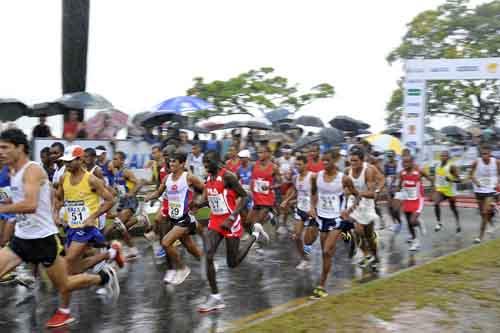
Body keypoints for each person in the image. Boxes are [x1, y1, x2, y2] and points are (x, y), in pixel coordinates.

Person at [0, 129, 119, 328]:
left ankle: (103, 277)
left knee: (65, 282)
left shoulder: (32, 170)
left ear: (20, 148)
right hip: (23, 237)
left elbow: (30, 204)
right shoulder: (13, 172)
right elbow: (51, 198)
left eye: (5, 147)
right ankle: (104, 263)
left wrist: (92, 217)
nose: (0, 152)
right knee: (70, 271)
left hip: (44, 239)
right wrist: (56, 212)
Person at [197, 151, 267, 312]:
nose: (205, 165)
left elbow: (244, 196)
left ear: (216, 161)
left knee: (232, 263)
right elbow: (209, 198)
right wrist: (197, 205)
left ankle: (254, 235)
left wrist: (232, 217)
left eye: (208, 162)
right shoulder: (209, 178)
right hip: (215, 220)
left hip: (230, 221)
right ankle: (216, 297)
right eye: (204, 162)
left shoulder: (228, 176)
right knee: (208, 254)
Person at [54, 145, 124, 275]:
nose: (67, 164)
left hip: (86, 227)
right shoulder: (63, 178)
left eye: (70, 161)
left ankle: (107, 260)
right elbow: (59, 199)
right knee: (73, 269)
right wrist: (56, 215)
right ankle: (111, 253)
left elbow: (110, 200)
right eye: (65, 161)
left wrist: (93, 217)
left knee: (68, 260)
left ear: (80, 160)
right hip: (72, 226)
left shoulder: (91, 179)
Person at [144, 152, 205, 284]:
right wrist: (149, 196)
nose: (171, 164)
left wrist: (198, 203)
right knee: (189, 246)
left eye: (174, 161)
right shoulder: (167, 178)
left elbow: (205, 189)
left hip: (185, 218)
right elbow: (159, 192)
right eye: (170, 161)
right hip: (174, 218)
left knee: (165, 242)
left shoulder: (189, 177)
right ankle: (207, 263)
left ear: (182, 164)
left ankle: (182, 269)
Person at [309, 149, 356, 299]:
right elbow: (314, 193)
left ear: (335, 161)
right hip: (322, 218)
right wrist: (312, 207)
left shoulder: (344, 179)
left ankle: (321, 285)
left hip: (337, 218)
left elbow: (357, 195)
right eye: (322, 160)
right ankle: (348, 237)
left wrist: (348, 210)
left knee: (326, 251)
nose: (324, 163)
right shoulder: (316, 177)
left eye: (327, 160)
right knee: (327, 254)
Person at [280, 155, 317, 270]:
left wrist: (313, 207)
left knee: (308, 240)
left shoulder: (312, 177)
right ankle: (305, 259)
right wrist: (287, 200)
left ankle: (308, 250)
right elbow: (296, 191)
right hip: (300, 209)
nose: (297, 166)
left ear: (306, 164)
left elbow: (317, 193)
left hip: (312, 211)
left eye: (300, 164)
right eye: (296, 164)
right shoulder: (295, 178)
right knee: (296, 237)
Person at [345, 147, 381, 268]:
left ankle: (375, 257)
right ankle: (366, 254)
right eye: (351, 160)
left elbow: (372, 194)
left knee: (369, 236)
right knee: (356, 230)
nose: (353, 163)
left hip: (366, 204)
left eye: (355, 161)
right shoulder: (347, 171)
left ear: (362, 161)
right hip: (353, 203)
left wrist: (360, 194)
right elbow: (345, 188)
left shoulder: (368, 171)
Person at [108, 151, 142, 258]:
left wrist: (131, 193)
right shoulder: (116, 173)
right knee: (123, 227)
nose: (113, 161)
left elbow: (139, 183)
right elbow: (116, 190)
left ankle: (132, 250)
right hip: (122, 202)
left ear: (122, 160)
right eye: (113, 158)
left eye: (115, 159)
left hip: (130, 201)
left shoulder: (126, 171)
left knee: (118, 225)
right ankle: (140, 219)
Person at [247, 145, 282, 244]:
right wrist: (250, 190)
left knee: (257, 222)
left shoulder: (274, 167)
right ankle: (270, 217)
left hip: (267, 199)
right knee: (248, 221)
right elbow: (252, 179)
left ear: (268, 153)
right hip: (256, 198)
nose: (259, 154)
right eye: (258, 152)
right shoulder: (254, 165)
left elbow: (280, 183)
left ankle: (253, 242)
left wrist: (270, 187)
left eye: (262, 152)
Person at [398, 155, 432, 251]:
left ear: (412, 162)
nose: (405, 164)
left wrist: (432, 191)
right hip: (407, 199)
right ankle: (415, 241)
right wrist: (397, 194)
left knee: (412, 221)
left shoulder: (418, 172)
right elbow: (400, 185)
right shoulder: (402, 173)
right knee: (409, 222)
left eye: (407, 162)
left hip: (418, 199)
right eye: (403, 162)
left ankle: (419, 223)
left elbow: (430, 179)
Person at [470, 144, 500, 243]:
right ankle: (491, 223)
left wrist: (497, 184)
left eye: (486, 154)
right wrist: (476, 182)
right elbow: (471, 175)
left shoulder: (496, 162)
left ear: (490, 153)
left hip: (490, 190)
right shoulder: (476, 162)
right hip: (479, 190)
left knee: (484, 212)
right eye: (482, 154)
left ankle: (480, 236)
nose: (484, 156)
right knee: (483, 214)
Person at [433, 150, 462, 233]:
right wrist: (434, 188)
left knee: (453, 208)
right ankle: (439, 223)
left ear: (448, 157)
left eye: (445, 156)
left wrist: (451, 179)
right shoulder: (437, 166)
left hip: (450, 191)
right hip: (441, 190)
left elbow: (459, 180)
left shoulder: (452, 167)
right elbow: (436, 178)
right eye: (442, 156)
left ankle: (458, 224)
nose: (443, 157)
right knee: (436, 203)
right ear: (440, 157)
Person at [276, 147, 295, 234]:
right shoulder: (279, 160)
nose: (287, 155)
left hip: (291, 184)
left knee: (286, 203)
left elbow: (296, 171)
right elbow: (276, 171)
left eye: (288, 153)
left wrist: (291, 174)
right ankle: (283, 221)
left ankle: (284, 222)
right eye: (285, 153)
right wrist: (281, 175)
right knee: (284, 205)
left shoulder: (294, 160)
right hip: (282, 184)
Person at [384, 150, 402, 232]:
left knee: (395, 208)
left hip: (396, 187)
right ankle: (394, 223)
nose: (390, 158)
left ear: (394, 156)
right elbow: (385, 176)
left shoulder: (397, 164)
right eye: (389, 156)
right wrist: (386, 186)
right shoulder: (386, 164)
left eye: (391, 156)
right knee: (389, 207)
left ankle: (399, 222)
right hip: (389, 186)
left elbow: (398, 176)